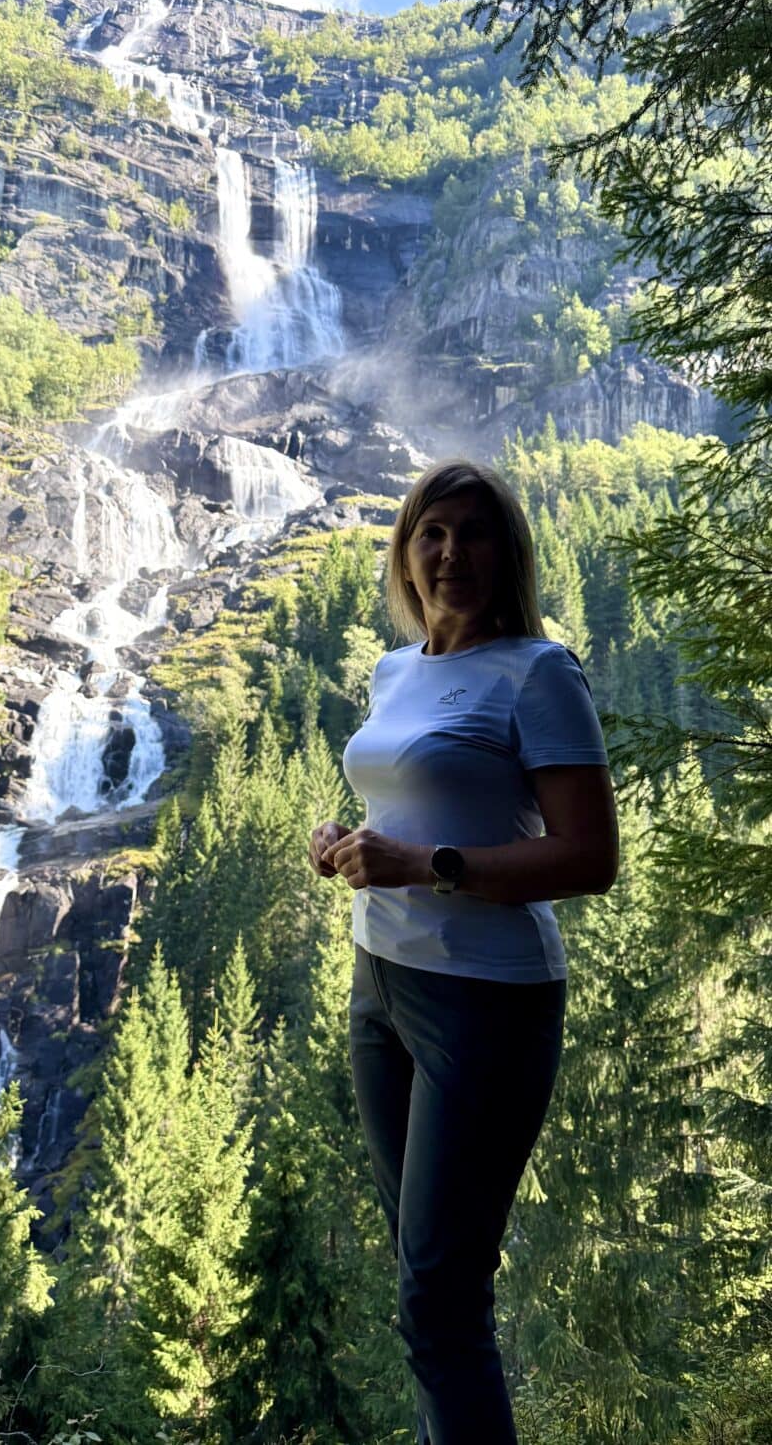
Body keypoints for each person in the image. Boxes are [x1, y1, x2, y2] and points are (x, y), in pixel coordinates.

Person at [308, 457, 618, 1445]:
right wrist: (345, 842)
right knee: (422, 1272)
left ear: (505, 553)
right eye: (430, 532)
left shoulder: (537, 671)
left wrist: (425, 861)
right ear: (405, 551)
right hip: (379, 983)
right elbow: (401, 807)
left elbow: (587, 855)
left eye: (472, 532)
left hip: (485, 1001)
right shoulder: (395, 668)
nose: (450, 552)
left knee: (440, 1299)